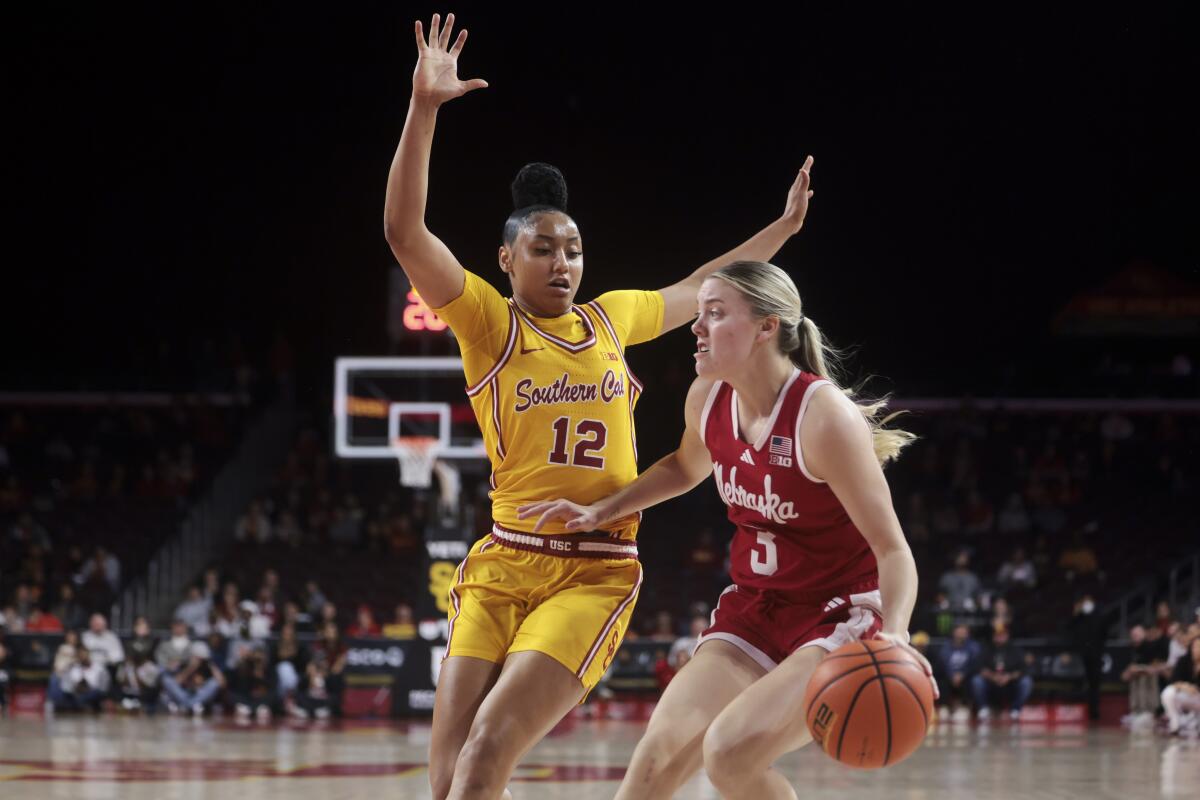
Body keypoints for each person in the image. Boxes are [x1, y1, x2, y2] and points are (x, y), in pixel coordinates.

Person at [384, 14, 815, 800]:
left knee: (487, 753)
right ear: (506, 258)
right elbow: (404, 231)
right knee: (446, 782)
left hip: (592, 569)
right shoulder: (487, 323)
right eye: (544, 249)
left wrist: (778, 231)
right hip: (501, 560)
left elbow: (703, 288)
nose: (563, 262)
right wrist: (424, 109)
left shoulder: (611, 318)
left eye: (574, 248)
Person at [520, 261, 932, 798]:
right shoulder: (707, 397)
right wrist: (605, 510)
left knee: (729, 755)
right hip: (755, 608)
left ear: (767, 327)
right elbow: (685, 467)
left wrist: (894, 634)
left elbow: (893, 550)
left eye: (715, 314)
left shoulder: (822, 417)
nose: (696, 327)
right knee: (652, 764)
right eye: (699, 313)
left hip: (837, 614)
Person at [1161, 635, 1200, 736]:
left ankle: (1194, 721)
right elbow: (1173, 680)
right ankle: (1175, 723)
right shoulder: (1183, 660)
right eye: (1195, 646)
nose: (1197, 649)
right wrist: (1185, 686)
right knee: (1168, 692)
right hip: (1187, 695)